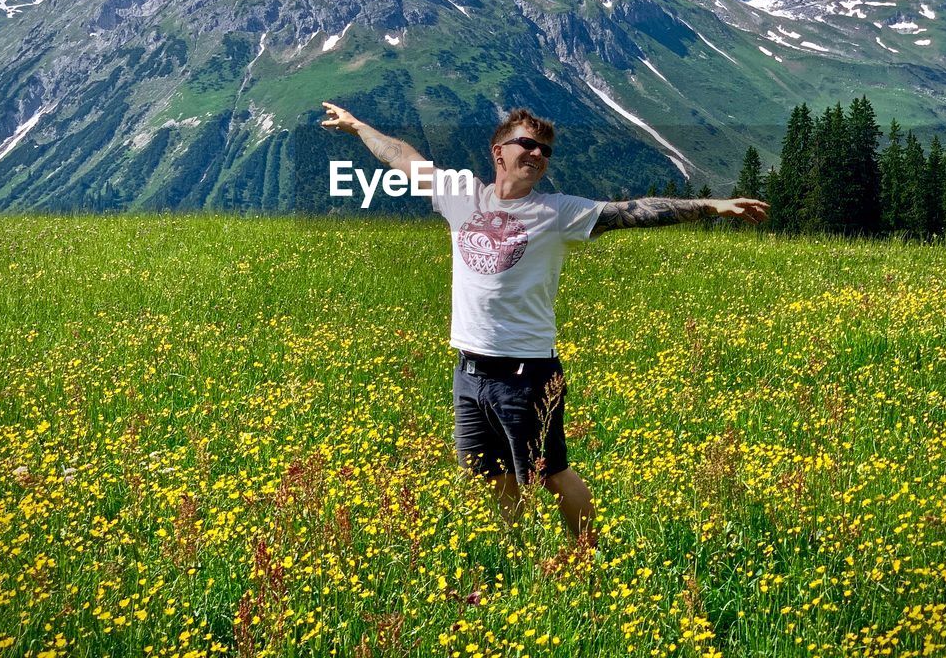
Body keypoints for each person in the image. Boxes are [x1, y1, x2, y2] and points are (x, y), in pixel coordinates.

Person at [320, 101, 769, 545]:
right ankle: (515, 555)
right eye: (528, 145)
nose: (538, 155)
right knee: (490, 473)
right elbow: (401, 156)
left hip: (527, 374)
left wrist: (711, 206)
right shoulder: (459, 194)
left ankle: (588, 556)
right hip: (469, 371)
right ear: (499, 152)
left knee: (552, 473)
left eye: (545, 151)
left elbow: (635, 210)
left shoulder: (557, 212)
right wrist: (358, 126)